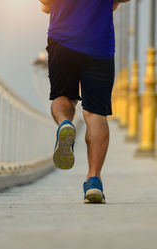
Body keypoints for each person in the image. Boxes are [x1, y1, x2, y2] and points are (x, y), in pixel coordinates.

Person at [40, 0, 130, 204]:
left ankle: (65, 123)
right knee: (96, 113)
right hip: (99, 44)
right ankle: (94, 181)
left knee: (62, 97)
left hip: (62, 40)